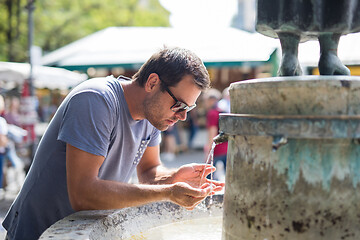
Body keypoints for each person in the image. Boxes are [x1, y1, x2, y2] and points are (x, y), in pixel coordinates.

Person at [2, 47, 224, 240]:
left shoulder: (151, 117)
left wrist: (173, 178)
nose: (182, 116)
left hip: (84, 230)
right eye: (178, 105)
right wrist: (168, 192)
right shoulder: (96, 100)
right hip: (39, 233)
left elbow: (149, 171)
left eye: (188, 109)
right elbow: (82, 193)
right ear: (152, 82)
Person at [204, 88, 228, 181]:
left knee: (209, 176)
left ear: (212, 100)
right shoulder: (223, 111)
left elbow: (212, 133)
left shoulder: (212, 113)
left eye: (206, 100)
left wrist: (208, 150)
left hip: (217, 149)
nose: (205, 103)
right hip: (227, 147)